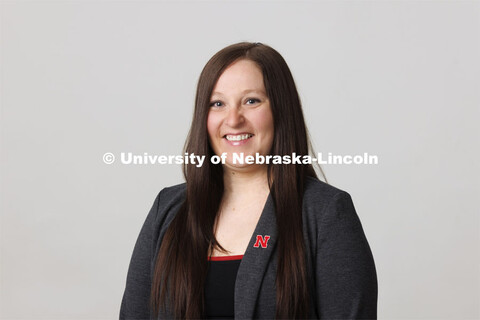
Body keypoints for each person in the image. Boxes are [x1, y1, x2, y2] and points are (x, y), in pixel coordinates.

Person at [120, 42, 378, 319]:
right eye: (217, 104)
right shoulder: (168, 210)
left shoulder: (326, 212)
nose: (233, 120)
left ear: (281, 109)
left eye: (251, 101)